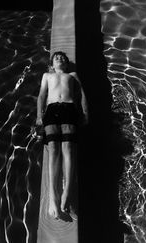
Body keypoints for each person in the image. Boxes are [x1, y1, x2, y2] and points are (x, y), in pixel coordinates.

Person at [36, 51, 88, 219]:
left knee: (68, 147)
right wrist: (39, 115)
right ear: (52, 64)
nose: (60, 59)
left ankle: (66, 192)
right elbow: (42, 95)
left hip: (68, 107)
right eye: (56, 58)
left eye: (63, 58)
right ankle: (53, 196)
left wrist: (86, 113)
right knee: (53, 149)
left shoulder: (72, 75)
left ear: (66, 64)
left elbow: (81, 94)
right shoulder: (47, 76)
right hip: (51, 109)